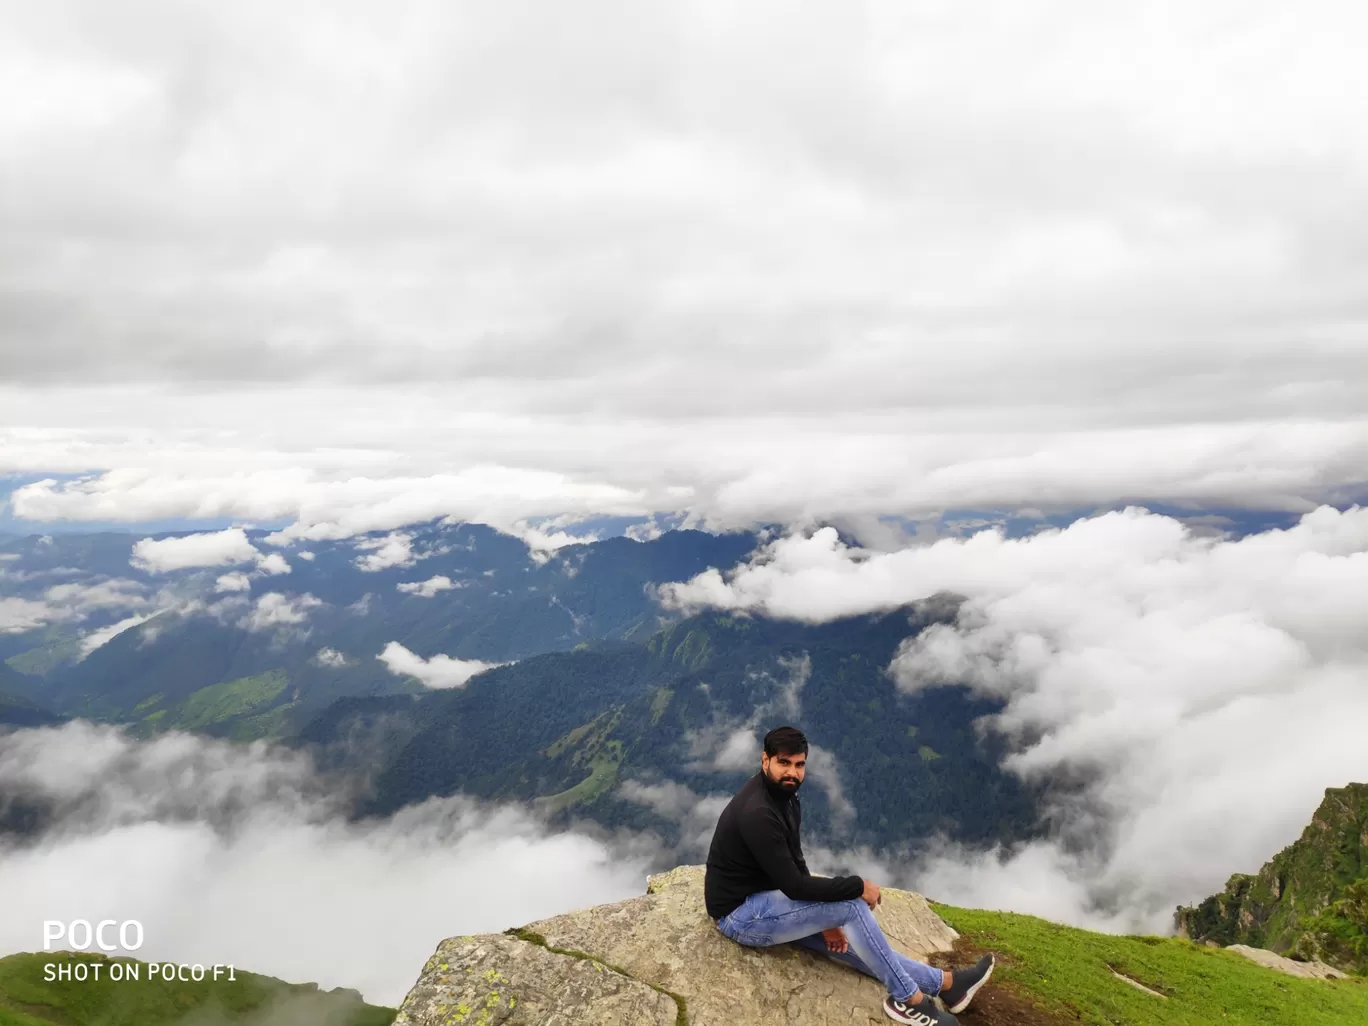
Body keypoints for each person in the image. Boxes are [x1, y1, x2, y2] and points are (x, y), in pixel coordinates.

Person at [704, 725, 994, 1025]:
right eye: (783, 762)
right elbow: (793, 886)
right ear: (765, 761)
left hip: (767, 901)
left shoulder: (785, 797)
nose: (792, 772)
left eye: (799, 764)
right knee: (852, 906)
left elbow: (795, 859)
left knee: (858, 940)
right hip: (740, 917)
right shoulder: (758, 812)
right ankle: (909, 999)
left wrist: (826, 919)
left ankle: (946, 985)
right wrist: (856, 886)